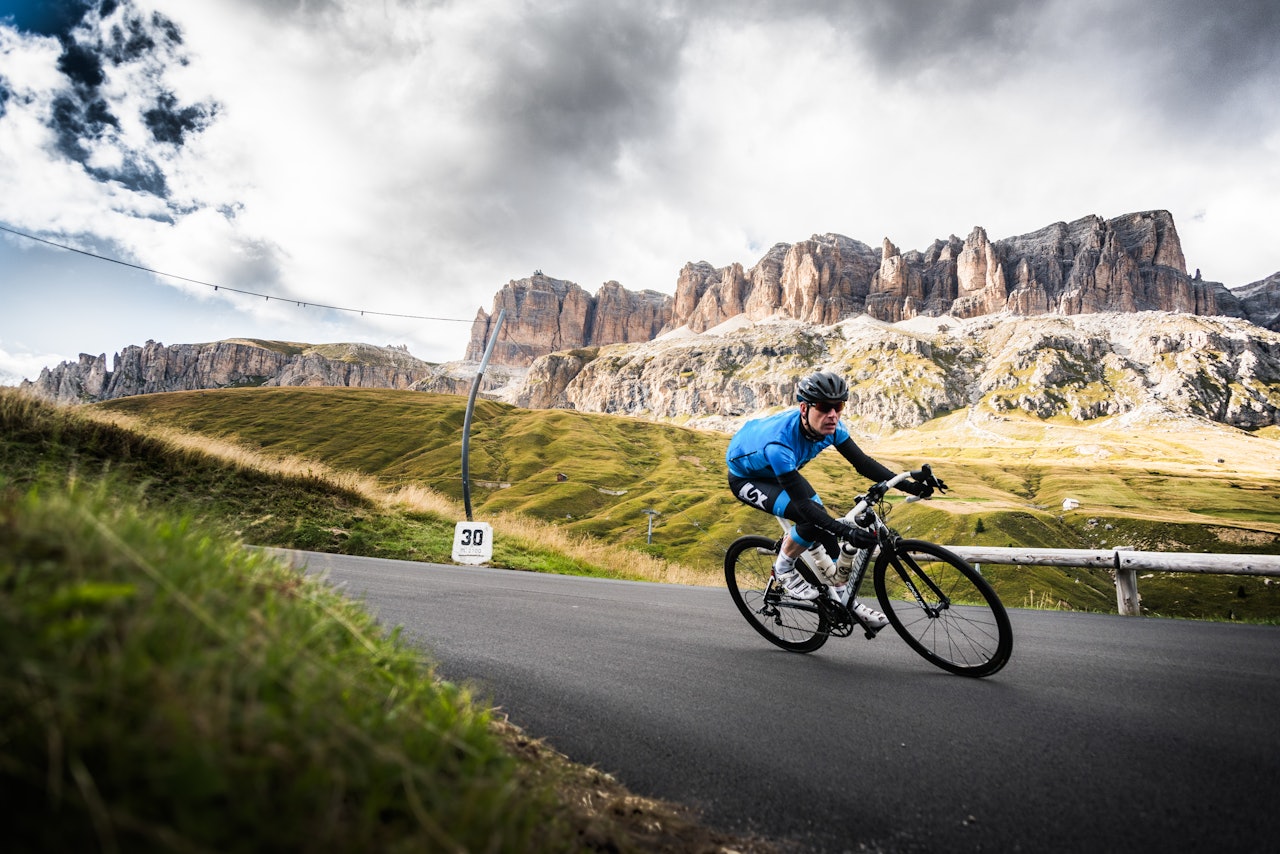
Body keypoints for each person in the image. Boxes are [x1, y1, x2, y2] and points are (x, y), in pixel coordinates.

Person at [725, 369, 930, 627]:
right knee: (811, 518)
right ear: (804, 408)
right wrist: (847, 532)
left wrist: (912, 487)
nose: (832, 414)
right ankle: (784, 569)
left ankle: (846, 603)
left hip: (778, 470)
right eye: (824, 407)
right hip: (748, 478)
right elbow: (803, 507)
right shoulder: (779, 445)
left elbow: (863, 463)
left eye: (839, 406)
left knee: (823, 525)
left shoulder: (833, 427)